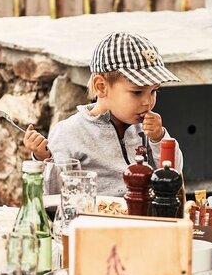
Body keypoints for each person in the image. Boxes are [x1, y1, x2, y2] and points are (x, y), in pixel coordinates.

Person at [22, 32, 184, 198]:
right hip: (94, 219)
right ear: (101, 87)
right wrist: (43, 158)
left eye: (154, 91)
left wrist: (160, 139)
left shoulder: (145, 130)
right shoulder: (69, 133)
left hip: (145, 217)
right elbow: (54, 194)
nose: (148, 102)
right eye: (137, 92)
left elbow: (174, 176)